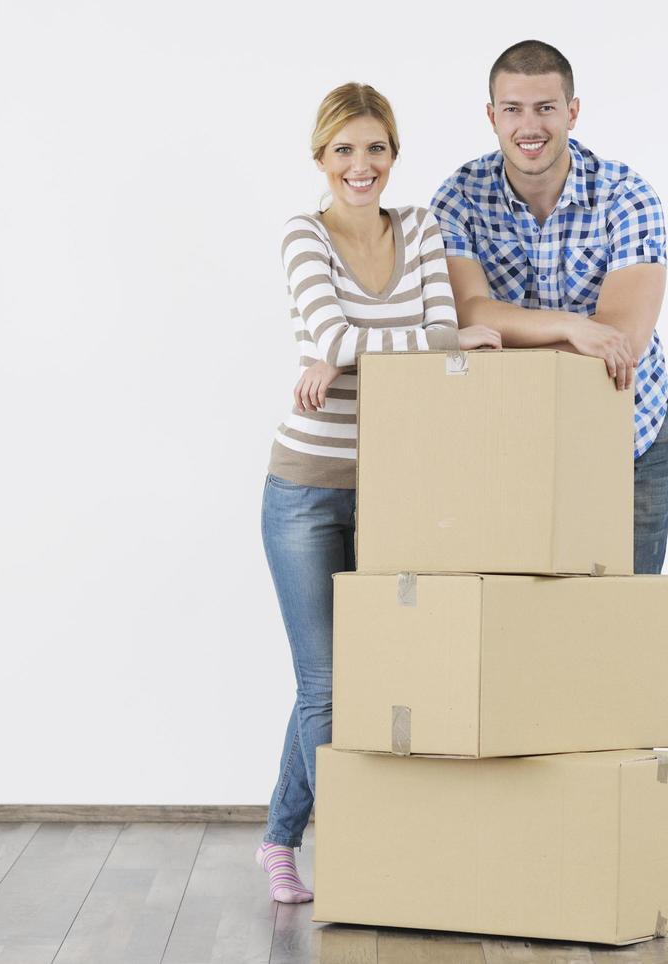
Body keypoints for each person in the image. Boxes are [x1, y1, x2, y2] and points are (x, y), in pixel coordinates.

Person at [256, 82, 500, 903]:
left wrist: (364, 350)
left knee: (363, 677)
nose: (361, 167)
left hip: (396, 485)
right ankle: (363, 861)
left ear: (393, 154)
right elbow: (371, 336)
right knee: (327, 686)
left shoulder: (422, 226)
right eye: (344, 151)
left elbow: (435, 340)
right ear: (320, 158)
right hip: (305, 489)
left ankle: (278, 838)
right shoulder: (302, 233)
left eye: (376, 149)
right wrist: (410, 342)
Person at [430, 40, 668, 575]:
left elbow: (621, 341)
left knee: (622, 619)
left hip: (627, 430)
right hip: (508, 432)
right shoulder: (458, 197)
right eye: (513, 109)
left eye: (545, 107)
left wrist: (512, 332)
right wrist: (572, 327)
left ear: (572, 111)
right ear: (491, 116)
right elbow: (468, 313)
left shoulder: (628, 195)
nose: (530, 126)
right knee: (518, 624)